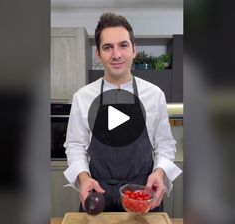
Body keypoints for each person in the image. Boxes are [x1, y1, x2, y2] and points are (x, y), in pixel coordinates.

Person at [63, 12, 182, 212]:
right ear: (98, 54)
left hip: (143, 195)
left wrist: (160, 173)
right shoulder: (82, 98)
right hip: (97, 194)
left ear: (134, 50)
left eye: (123, 45)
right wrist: (83, 179)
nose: (116, 54)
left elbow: (165, 144)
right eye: (108, 47)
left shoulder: (155, 95)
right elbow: (75, 146)